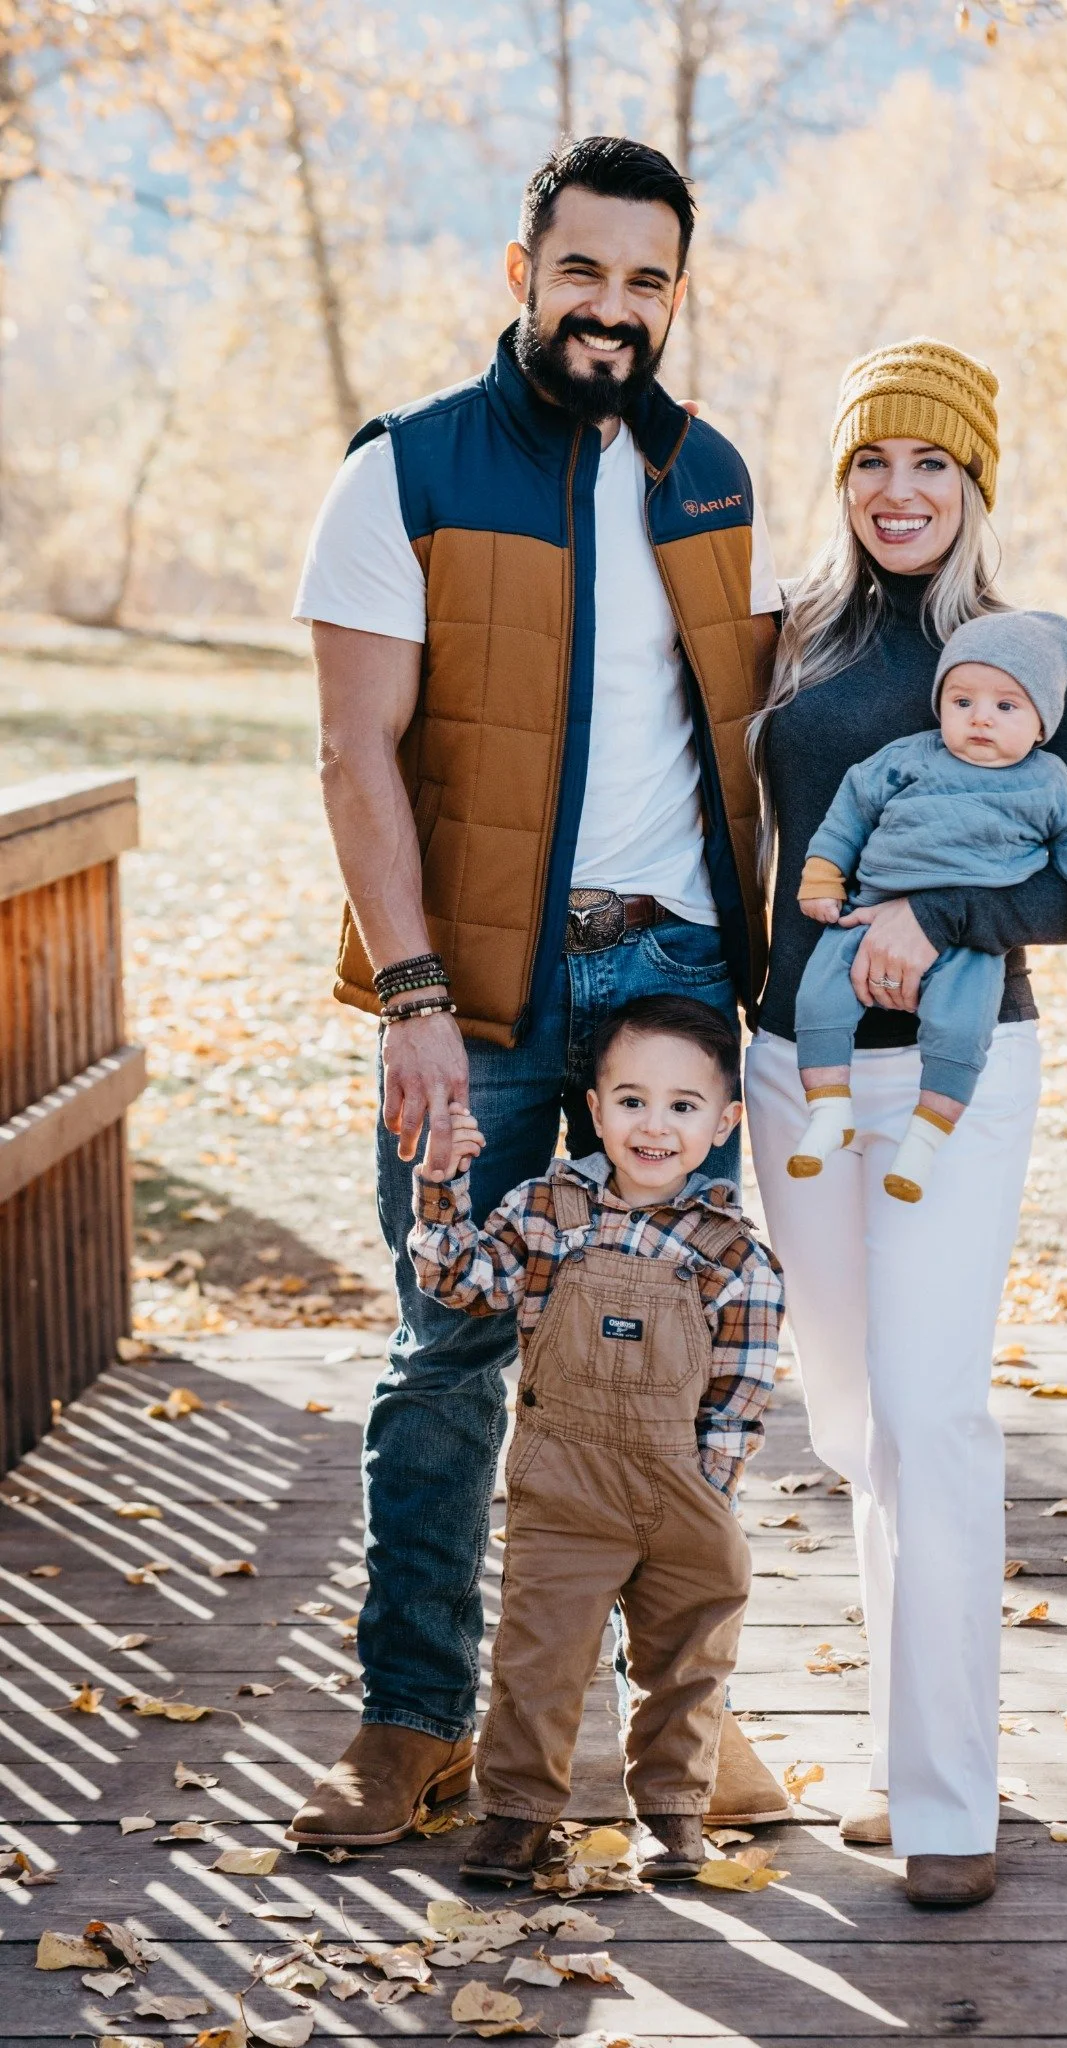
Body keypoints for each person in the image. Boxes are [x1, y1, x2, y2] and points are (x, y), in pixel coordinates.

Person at [287, 134, 789, 1849]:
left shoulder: (711, 475)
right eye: (583, 272)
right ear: (524, 272)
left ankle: (685, 1722)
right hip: (478, 983)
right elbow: (357, 756)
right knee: (450, 1350)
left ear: (673, 294)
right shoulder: (406, 472)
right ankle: (410, 1723)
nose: (613, 308)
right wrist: (414, 991)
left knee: (674, 1360)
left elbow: (754, 730)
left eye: (646, 281)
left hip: (673, 974)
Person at [743, 339, 1067, 1907]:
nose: (894, 492)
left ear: (972, 482)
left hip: (954, 1080)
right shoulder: (791, 637)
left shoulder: (1016, 647)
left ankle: (949, 1801)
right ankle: (901, 1757)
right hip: (791, 1063)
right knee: (846, 1424)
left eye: (928, 466)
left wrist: (936, 910)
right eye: (867, 464)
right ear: (840, 480)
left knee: (929, 1412)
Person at [407, 996, 783, 1883]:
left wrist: (707, 1488)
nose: (655, 1125)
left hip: (679, 1489)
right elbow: (460, 1281)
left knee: (685, 1660)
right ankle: (516, 1813)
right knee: (538, 1655)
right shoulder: (546, 1209)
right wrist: (440, 1182)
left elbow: (739, 1393)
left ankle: (672, 1813)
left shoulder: (734, 1254)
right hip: (565, 1484)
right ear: (595, 1105)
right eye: (631, 1100)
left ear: (724, 1122)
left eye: (684, 1107)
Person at [788, 609, 1067, 1199]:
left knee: (961, 1027)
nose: (980, 719)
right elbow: (850, 811)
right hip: (867, 912)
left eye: (1006, 707)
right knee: (820, 996)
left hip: (971, 944)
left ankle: (924, 1140)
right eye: (962, 701)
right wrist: (823, 876)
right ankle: (827, 1110)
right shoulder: (910, 757)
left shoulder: (1050, 784)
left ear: (1042, 723)